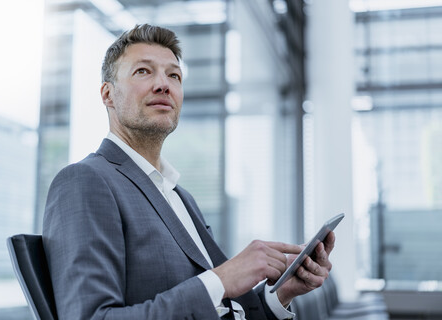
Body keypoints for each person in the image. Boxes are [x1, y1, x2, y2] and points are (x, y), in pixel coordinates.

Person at [43, 24, 335, 320]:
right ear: (107, 94)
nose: (163, 84)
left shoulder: (180, 196)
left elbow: (227, 310)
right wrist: (220, 280)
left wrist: (282, 292)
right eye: (143, 71)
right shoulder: (85, 181)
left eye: (174, 75)